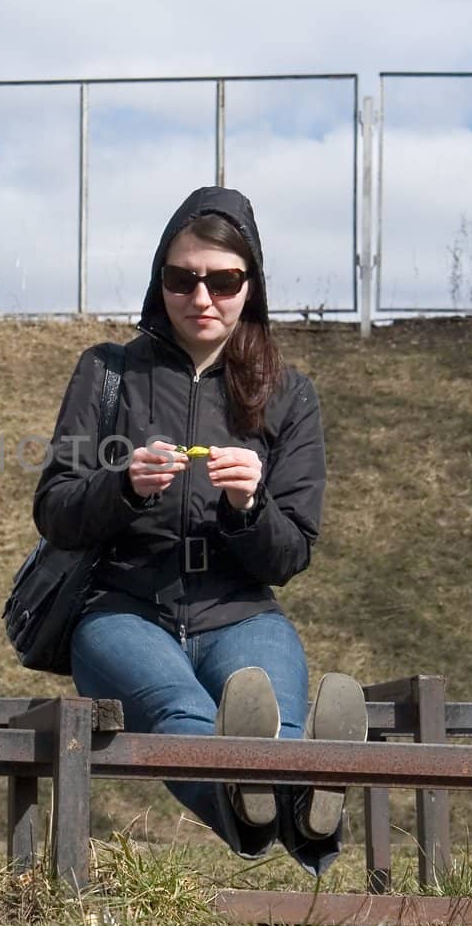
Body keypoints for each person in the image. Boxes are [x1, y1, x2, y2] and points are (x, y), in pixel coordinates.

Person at [32, 185, 366, 873]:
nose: (203, 296)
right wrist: (121, 486)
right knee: (183, 707)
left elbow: (290, 552)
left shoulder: (288, 394)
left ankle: (296, 792)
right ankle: (303, 811)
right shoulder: (107, 372)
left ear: (252, 285)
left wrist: (249, 508)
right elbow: (55, 507)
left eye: (224, 279)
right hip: (124, 610)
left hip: (240, 607)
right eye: (184, 278)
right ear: (162, 280)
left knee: (271, 715)